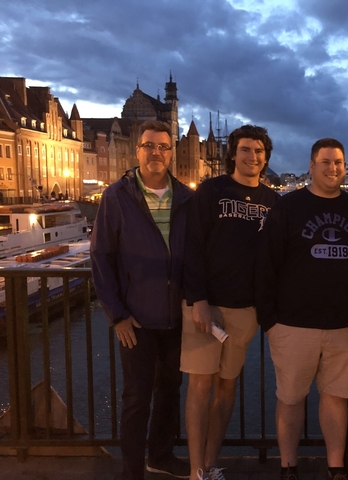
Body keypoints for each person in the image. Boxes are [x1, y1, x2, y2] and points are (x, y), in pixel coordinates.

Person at [256, 138, 348, 480]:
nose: (332, 168)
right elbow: (266, 264)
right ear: (311, 165)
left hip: (341, 325)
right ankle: (288, 464)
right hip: (292, 324)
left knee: (336, 398)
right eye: (325, 162)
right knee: (290, 398)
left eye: (338, 162)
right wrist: (270, 321)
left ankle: (335, 465)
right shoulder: (288, 207)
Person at [90, 120, 192, 480]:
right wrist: (116, 315)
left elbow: (195, 255)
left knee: (170, 391)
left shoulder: (185, 197)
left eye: (163, 146)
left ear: (171, 152)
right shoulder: (117, 196)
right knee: (136, 399)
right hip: (136, 318)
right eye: (149, 145)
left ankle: (161, 456)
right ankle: (132, 470)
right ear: (138, 150)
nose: (156, 153)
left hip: (175, 317)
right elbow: (101, 256)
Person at [181, 125, 279, 480]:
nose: (252, 157)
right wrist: (198, 300)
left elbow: (277, 257)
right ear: (233, 154)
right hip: (207, 307)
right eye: (245, 150)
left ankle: (209, 465)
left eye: (258, 151)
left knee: (226, 386)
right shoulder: (212, 190)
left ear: (265, 157)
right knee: (200, 385)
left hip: (246, 310)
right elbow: (192, 246)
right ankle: (195, 472)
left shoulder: (272, 201)